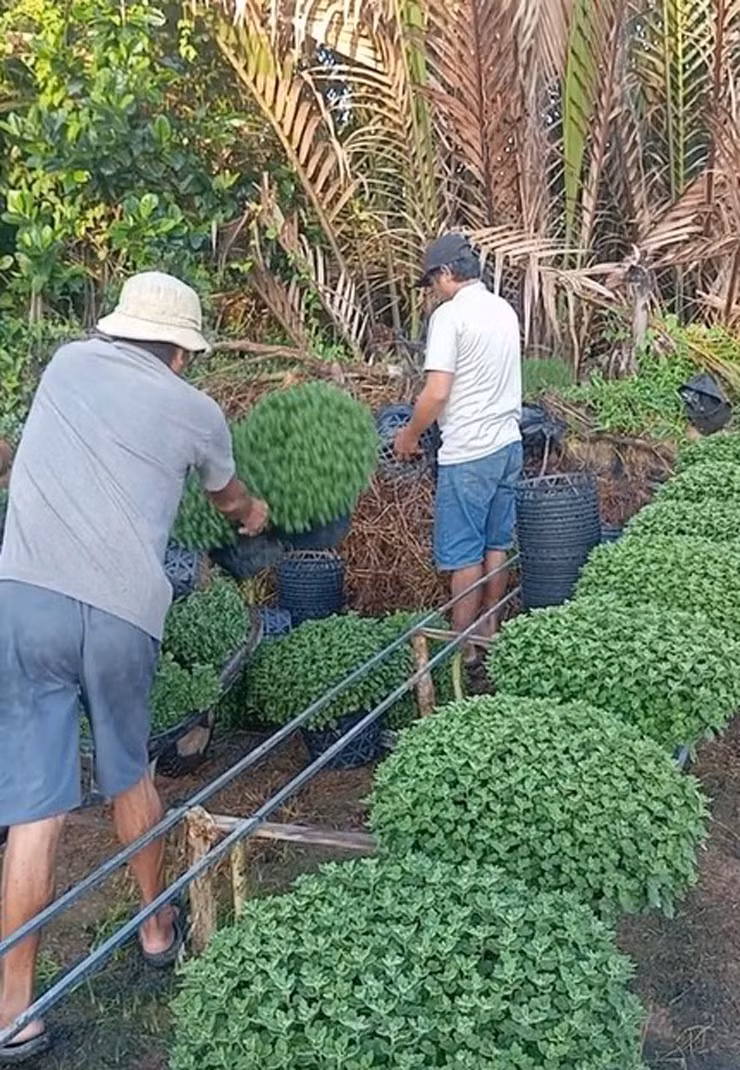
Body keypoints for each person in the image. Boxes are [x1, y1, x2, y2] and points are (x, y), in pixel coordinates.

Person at [0, 271, 268, 1063]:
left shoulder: (67, 365)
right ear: (182, 352)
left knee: (35, 810)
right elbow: (230, 501)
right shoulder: (196, 412)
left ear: (118, 330)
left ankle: (14, 1013)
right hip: (120, 611)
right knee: (129, 775)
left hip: (27, 600)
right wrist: (255, 517)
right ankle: (156, 931)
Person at [395, 233, 522, 662]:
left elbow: (436, 393)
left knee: (464, 552)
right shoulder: (503, 309)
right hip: (508, 445)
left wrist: (409, 436)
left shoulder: (450, 317)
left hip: (469, 451)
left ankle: (461, 645)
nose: (432, 291)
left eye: (432, 282)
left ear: (447, 273)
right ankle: (489, 625)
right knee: (496, 543)